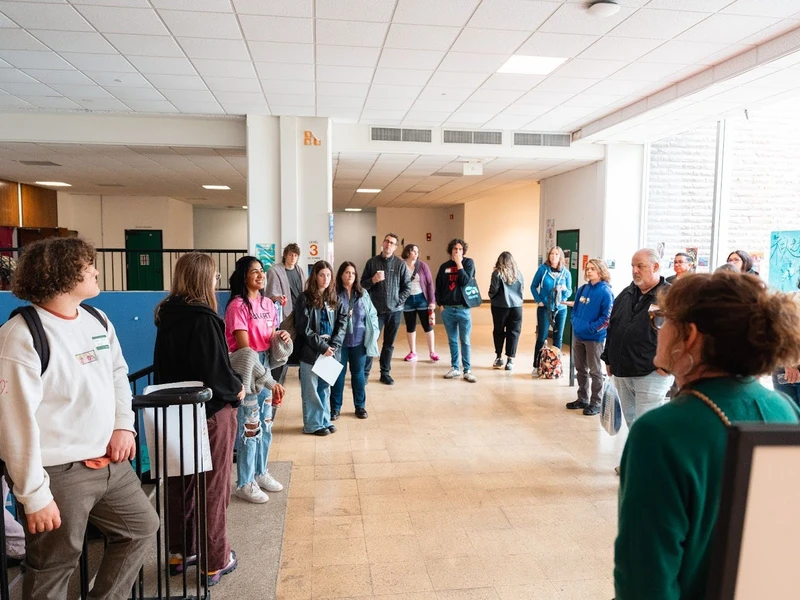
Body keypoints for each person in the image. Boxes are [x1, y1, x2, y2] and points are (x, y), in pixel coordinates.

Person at [614, 272, 800, 600]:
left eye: (661, 320)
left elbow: (645, 579)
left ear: (690, 336)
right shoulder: (784, 409)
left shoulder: (660, 433)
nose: (657, 330)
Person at [0, 237, 159, 598]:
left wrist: (123, 425)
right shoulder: (20, 336)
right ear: (59, 275)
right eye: (88, 267)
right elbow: (14, 425)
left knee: (141, 528)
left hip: (111, 463)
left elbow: (117, 374)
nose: (96, 271)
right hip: (58, 473)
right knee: (54, 566)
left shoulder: (96, 319)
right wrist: (34, 495)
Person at [154, 252, 244, 586]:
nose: (217, 281)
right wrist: (238, 388)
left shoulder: (166, 315)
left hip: (175, 412)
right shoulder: (204, 319)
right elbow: (216, 373)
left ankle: (181, 552)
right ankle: (214, 560)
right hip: (209, 414)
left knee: (181, 484)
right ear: (204, 279)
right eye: (215, 276)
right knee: (213, 487)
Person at [225, 256, 290, 504]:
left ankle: (261, 472)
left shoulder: (268, 304)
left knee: (266, 424)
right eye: (255, 271)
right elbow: (245, 353)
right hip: (247, 370)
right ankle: (245, 482)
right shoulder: (237, 306)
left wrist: (281, 338)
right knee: (250, 428)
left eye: (262, 270)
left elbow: (270, 339)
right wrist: (270, 381)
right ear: (244, 277)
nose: (261, 275)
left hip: (265, 364)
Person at [601, 249, 673, 434]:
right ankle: (637, 453)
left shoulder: (670, 296)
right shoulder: (626, 293)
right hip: (623, 370)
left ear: (655, 267)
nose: (635, 270)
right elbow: (613, 326)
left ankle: (649, 454)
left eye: (640, 266)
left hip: (651, 372)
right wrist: (608, 358)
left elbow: (682, 334)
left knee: (647, 425)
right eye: (633, 266)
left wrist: (669, 365)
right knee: (632, 422)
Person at [295, 261, 348, 435]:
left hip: (330, 350)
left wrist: (334, 346)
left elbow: (342, 323)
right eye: (321, 275)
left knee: (324, 388)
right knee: (311, 390)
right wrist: (322, 346)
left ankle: (324, 421)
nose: (325, 279)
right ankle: (313, 425)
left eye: (328, 275)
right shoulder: (304, 298)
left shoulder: (335, 298)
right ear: (315, 276)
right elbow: (303, 328)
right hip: (311, 350)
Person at [330, 262, 380, 421]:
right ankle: (335, 408)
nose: (350, 275)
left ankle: (360, 406)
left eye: (352, 273)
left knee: (358, 375)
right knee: (338, 375)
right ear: (340, 275)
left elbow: (372, 314)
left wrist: (373, 334)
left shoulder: (362, 293)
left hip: (359, 341)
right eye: (347, 272)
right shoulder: (334, 293)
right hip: (340, 342)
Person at [360, 233, 411, 385]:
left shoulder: (400, 265)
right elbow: (362, 285)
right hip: (376, 312)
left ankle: (385, 373)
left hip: (395, 312)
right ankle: (364, 374)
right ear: (382, 243)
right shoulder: (372, 263)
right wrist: (373, 280)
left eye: (392, 243)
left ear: (395, 247)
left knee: (389, 344)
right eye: (387, 241)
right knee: (371, 341)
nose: (388, 244)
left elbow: (407, 287)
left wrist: (398, 301)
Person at [566, 258, 614, 415]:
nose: (589, 271)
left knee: (595, 371)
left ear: (600, 271)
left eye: (592, 269)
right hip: (578, 335)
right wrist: (575, 323)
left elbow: (606, 317)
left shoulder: (605, 292)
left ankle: (596, 402)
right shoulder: (583, 289)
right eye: (587, 268)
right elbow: (575, 309)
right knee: (580, 368)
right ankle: (582, 399)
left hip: (594, 338)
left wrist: (591, 328)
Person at [435, 238, 478, 383]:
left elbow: (465, 281)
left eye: (460, 249)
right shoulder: (444, 267)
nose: (457, 251)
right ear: (450, 250)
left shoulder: (468, 263)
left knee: (465, 340)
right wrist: (440, 305)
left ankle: (467, 370)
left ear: (463, 251)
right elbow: (438, 287)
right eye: (455, 249)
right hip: (447, 309)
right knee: (452, 340)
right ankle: (455, 367)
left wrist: (459, 264)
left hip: (463, 309)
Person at [266, 243, 307, 380]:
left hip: (300, 311)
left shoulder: (300, 270)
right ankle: (277, 377)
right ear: (285, 255)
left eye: (295, 255)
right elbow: (270, 293)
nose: (293, 257)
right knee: (283, 343)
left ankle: (301, 372)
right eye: (290, 254)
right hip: (285, 314)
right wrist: (277, 297)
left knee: (301, 342)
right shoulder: (275, 270)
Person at [530, 246, 572, 377]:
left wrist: (565, 290)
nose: (554, 256)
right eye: (552, 254)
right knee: (542, 337)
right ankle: (536, 366)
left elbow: (569, 292)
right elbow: (533, 286)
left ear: (560, 257)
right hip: (545, 308)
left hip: (560, 309)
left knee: (558, 338)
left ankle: (555, 367)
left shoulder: (566, 273)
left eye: (556, 254)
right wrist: (538, 300)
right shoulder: (543, 270)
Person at [400, 243, 439, 363]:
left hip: (422, 298)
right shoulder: (401, 266)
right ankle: (412, 352)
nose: (416, 253)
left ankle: (432, 352)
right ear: (407, 252)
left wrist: (432, 301)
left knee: (427, 325)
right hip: (407, 300)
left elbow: (429, 283)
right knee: (410, 326)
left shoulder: (422, 266)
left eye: (417, 251)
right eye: (413, 251)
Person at [488, 251, 524, 371]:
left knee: (499, 331)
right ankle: (510, 360)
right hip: (517, 307)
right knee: (514, 332)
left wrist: (491, 296)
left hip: (500, 306)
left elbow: (493, 289)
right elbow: (522, 289)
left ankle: (499, 357)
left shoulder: (497, 273)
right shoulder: (518, 273)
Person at [772, 276, 800, 408]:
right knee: (786, 413)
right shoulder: (790, 300)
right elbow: (777, 333)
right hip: (786, 367)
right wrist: (789, 363)